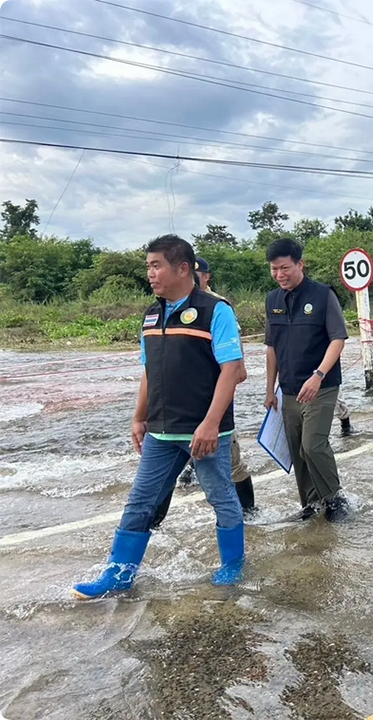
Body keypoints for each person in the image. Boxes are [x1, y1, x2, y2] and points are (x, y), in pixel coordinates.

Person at [73, 235, 246, 599]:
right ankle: (118, 575)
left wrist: (211, 424)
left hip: (204, 430)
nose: (150, 274)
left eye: (156, 266)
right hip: (161, 432)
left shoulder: (216, 311)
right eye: (148, 266)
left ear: (182, 269)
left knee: (220, 496)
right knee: (141, 501)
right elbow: (149, 371)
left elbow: (231, 370)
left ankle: (233, 564)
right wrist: (139, 417)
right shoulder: (152, 314)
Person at [156, 256, 257, 519]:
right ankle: (153, 525)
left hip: (212, 403)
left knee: (231, 464)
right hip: (177, 406)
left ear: (206, 277)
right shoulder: (169, 305)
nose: (192, 279)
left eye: (197, 276)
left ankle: (249, 515)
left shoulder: (218, 307)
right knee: (161, 471)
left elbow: (237, 368)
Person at [265, 238, 350, 523]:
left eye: (285, 268)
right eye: (274, 269)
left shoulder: (323, 295)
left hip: (321, 385)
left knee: (313, 444)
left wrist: (318, 375)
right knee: (297, 449)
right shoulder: (272, 300)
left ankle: (335, 498)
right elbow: (271, 347)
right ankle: (312, 503)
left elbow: (338, 339)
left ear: (300, 264)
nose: (280, 274)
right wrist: (270, 390)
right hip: (288, 388)